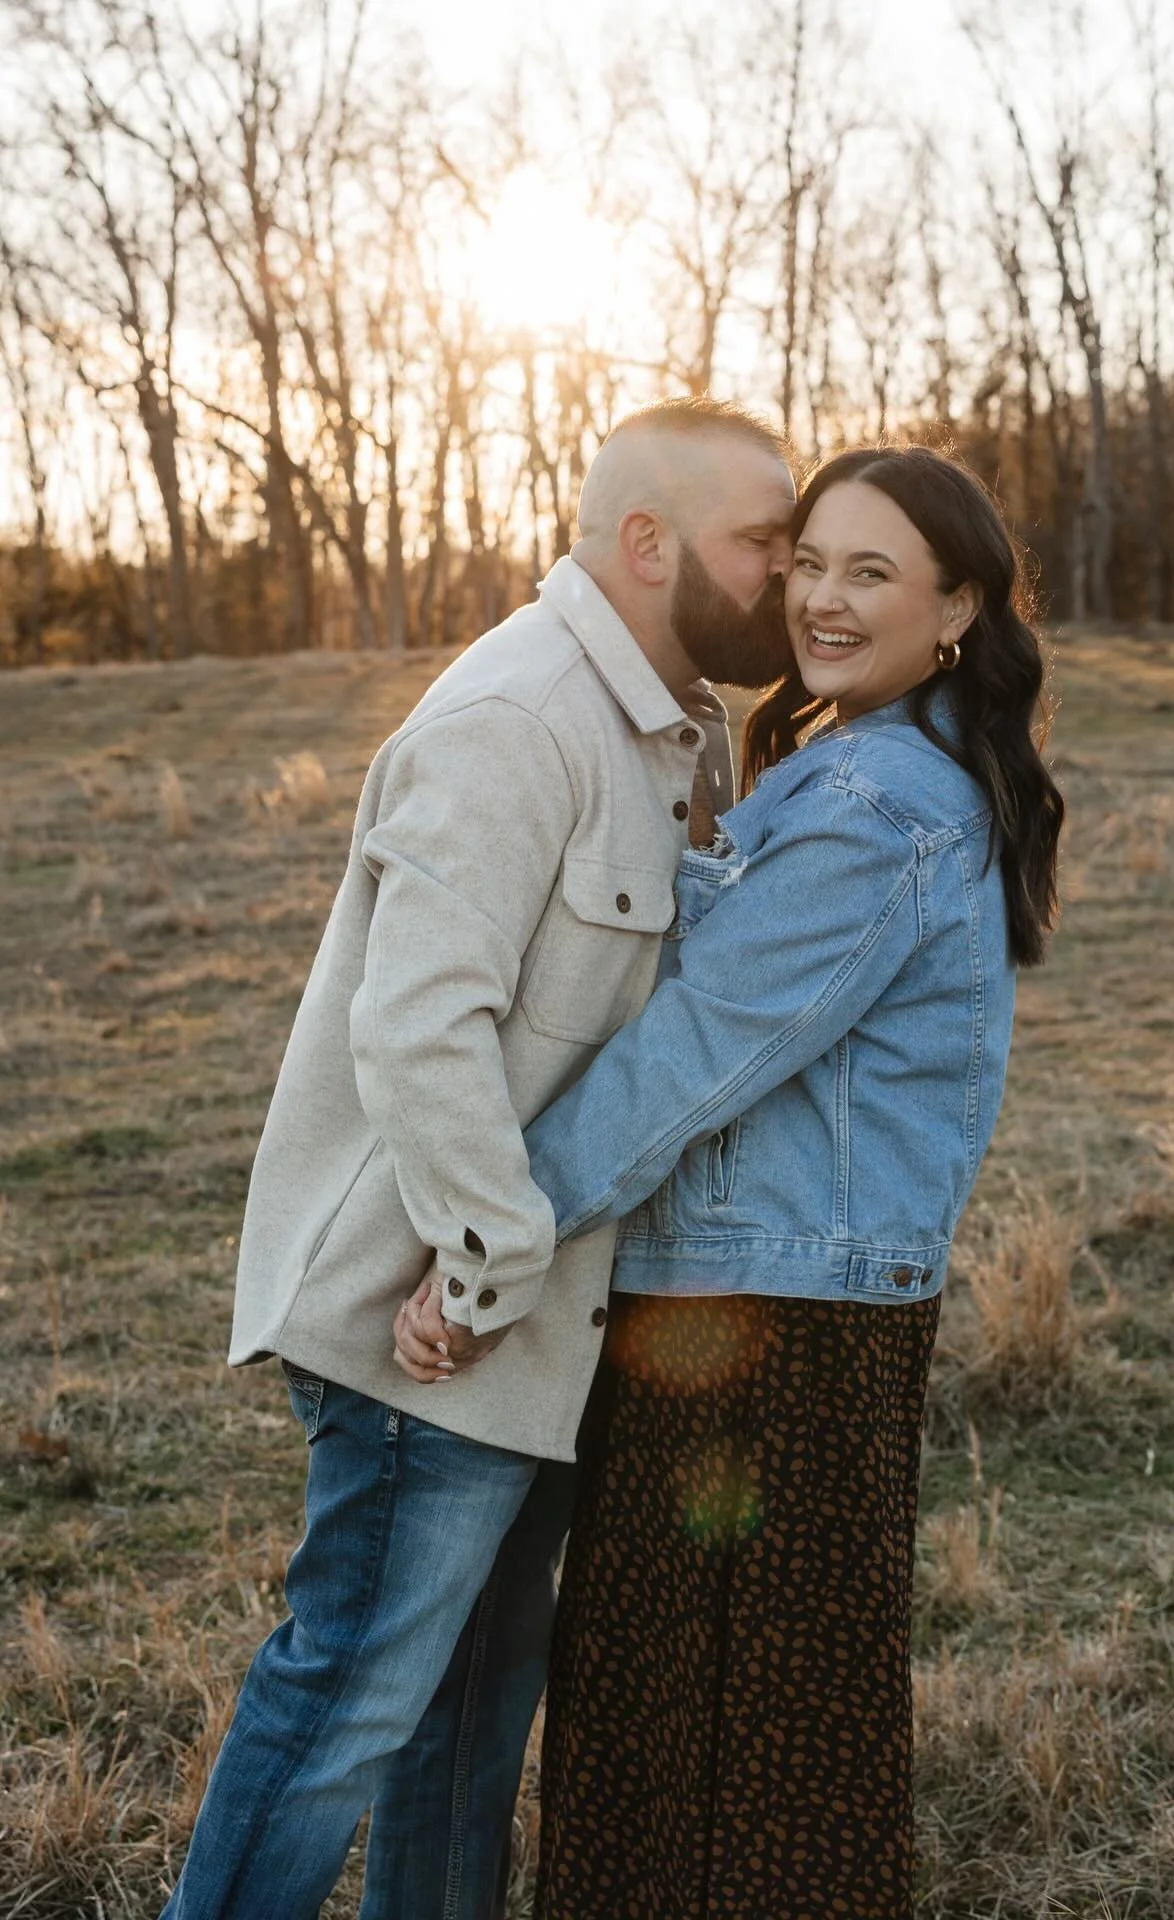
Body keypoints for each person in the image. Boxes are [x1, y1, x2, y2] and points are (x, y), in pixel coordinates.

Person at [403, 443, 1064, 1918]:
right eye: (810, 560)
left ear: (958, 607)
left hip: (765, 1322)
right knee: (747, 1722)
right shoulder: (876, 761)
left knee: (708, 1732)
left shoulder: (878, 801)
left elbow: (690, 1060)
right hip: (779, 1303)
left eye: (871, 574)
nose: (820, 600)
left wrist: (482, 1250)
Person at [159, 397, 797, 1920]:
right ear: (649, 544)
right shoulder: (519, 724)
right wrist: (489, 1266)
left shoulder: (662, 721)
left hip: (519, 1328)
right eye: (764, 542)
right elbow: (420, 1030)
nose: (791, 573)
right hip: (430, 1327)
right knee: (346, 1704)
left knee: (466, 1724)